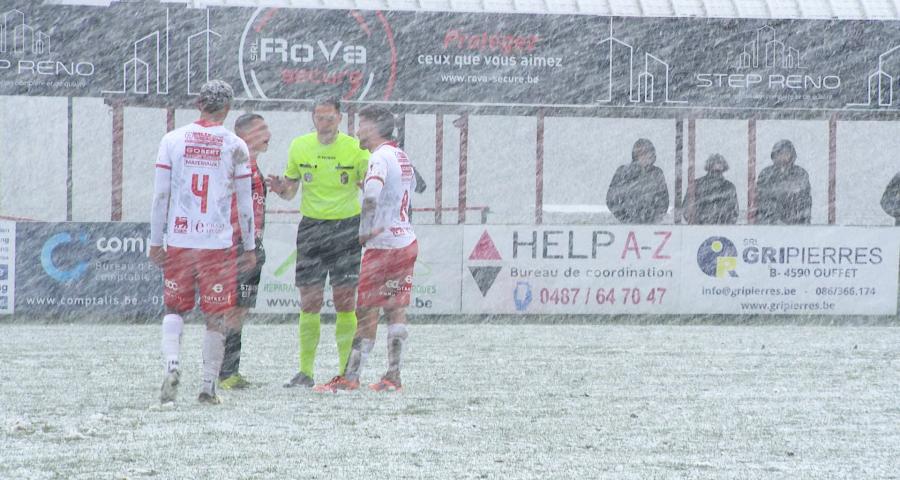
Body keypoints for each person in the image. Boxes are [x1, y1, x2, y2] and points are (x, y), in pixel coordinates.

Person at [149, 80, 256, 405]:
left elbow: (161, 195)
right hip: (217, 243)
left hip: (181, 238)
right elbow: (245, 203)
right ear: (227, 108)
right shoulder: (235, 145)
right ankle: (208, 386)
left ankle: (171, 365)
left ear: (198, 103)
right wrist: (249, 246)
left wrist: (157, 240)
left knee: (174, 308)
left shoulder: (173, 139)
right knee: (216, 316)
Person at [314, 105, 418, 393]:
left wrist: (364, 232)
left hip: (383, 244)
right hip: (405, 240)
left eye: (361, 125)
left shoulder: (378, 157)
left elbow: (372, 195)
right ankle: (393, 376)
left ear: (373, 127)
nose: (357, 131)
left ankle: (351, 377)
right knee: (396, 309)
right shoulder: (401, 155)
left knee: (367, 311)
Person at [267, 97, 369, 389]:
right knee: (309, 301)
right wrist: (280, 189)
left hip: (346, 229)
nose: (323, 124)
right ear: (312, 117)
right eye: (318, 118)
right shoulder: (299, 146)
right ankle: (305, 371)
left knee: (345, 301)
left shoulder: (355, 148)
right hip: (311, 228)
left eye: (329, 118)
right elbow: (290, 192)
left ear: (339, 118)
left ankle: (345, 372)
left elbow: (370, 187)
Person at [218, 113, 271, 390]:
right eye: (261, 129)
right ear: (244, 134)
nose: (268, 134)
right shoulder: (238, 163)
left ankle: (228, 371)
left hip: (250, 243)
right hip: (238, 244)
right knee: (232, 310)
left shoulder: (252, 164)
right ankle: (225, 372)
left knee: (238, 309)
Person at [606, 138, 669, 224]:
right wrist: (625, 218)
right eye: (642, 153)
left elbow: (664, 201)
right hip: (627, 227)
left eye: (648, 153)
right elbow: (611, 200)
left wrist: (653, 220)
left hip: (651, 227)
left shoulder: (657, 173)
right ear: (636, 156)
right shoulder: (623, 172)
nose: (645, 157)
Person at [755, 139, 811, 225]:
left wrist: (799, 219)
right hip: (769, 225)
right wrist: (774, 219)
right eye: (780, 153)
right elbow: (762, 199)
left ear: (792, 155)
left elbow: (805, 200)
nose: (783, 156)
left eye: (786, 153)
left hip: (796, 224)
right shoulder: (766, 174)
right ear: (774, 155)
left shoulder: (800, 173)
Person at [682, 154, 739, 224]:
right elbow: (687, 209)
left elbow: (734, 211)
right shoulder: (697, 184)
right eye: (715, 164)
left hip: (715, 229)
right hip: (702, 229)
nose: (717, 167)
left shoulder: (729, 187)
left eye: (719, 164)